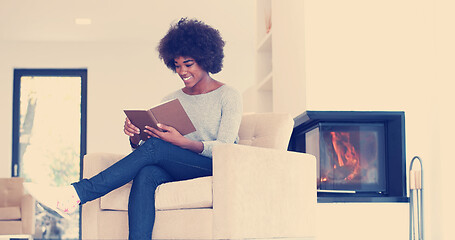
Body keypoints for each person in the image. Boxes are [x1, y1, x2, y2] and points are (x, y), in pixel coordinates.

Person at [26, 18, 243, 240]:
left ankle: (77, 193)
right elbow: (150, 151)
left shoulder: (228, 95)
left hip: (215, 167)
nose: (182, 71)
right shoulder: (172, 99)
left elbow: (226, 148)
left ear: (207, 60)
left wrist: (182, 142)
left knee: (156, 148)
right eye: (177, 65)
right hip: (177, 164)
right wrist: (136, 138)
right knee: (146, 173)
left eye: (188, 64)